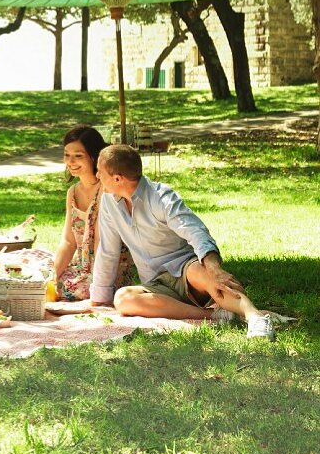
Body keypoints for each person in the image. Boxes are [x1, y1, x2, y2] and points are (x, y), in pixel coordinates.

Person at [90, 144, 276, 340]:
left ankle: (255, 317)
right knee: (123, 299)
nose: (97, 176)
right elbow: (108, 251)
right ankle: (215, 316)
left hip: (185, 270)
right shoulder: (109, 202)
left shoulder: (161, 197)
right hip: (155, 284)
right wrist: (99, 300)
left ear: (117, 178)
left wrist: (213, 268)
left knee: (201, 273)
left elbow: (195, 230)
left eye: (100, 172)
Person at [50, 126, 132, 301]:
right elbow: (68, 241)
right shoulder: (72, 192)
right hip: (82, 267)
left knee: (76, 290)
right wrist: (53, 275)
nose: (71, 161)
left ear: (93, 157)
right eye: (67, 155)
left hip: (108, 268)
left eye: (78, 156)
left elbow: (104, 243)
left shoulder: (107, 189)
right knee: (41, 279)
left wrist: (96, 280)